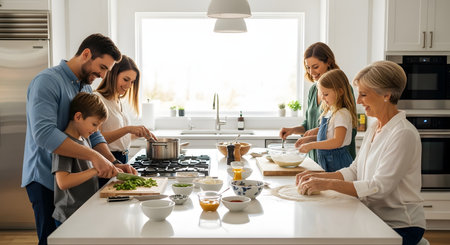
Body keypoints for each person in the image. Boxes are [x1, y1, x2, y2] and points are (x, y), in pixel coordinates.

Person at [22, 33, 136, 245]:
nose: (102, 75)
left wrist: (114, 162)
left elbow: (95, 133)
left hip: (74, 182)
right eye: (102, 67)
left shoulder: (84, 86)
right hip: (45, 178)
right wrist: (95, 158)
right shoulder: (47, 82)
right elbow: (44, 134)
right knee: (50, 241)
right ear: (86, 54)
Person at [296, 61, 425, 245]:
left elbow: (379, 188)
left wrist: (327, 184)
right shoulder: (375, 128)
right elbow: (354, 171)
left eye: (364, 94)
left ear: (386, 95)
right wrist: (319, 176)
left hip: (400, 227)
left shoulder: (403, 133)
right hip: (373, 216)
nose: (358, 101)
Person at [279, 42, 357, 162]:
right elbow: (308, 124)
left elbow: (350, 129)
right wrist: (292, 130)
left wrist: (315, 137)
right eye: (308, 67)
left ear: (328, 62)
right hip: (316, 158)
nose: (311, 72)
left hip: (337, 159)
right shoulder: (313, 90)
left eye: (315, 67)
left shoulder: (342, 89)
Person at [94, 55, 157, 186]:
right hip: (107, 160)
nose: (129, 86)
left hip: (123, 159)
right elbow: (96, 139)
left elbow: (120, 138)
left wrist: (138, 133)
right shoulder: (97, 99)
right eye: (126, 79)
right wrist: (128, 129)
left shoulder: (119, 101)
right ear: (113, 74)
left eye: (132, 82)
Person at [52, 93, 107, 226]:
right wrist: (95, 170)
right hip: (68, 215)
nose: (96, 130)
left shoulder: (85, 139)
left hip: (83, 211)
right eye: (94, 124)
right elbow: (63, 182)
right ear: (78, 117)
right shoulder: (65, 145)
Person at [297, 69, 357, 172]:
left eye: (326, 94)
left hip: (338, 161)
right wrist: (310, 139)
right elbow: (329, 136)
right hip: (327, 160)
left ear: (340, 91)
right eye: (321, 95)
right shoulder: (330, 111)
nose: (323, 99)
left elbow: (337, 141)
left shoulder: (342, 114)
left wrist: (311, 145)